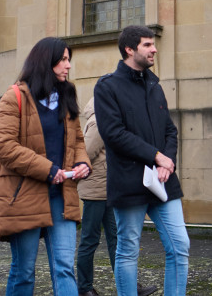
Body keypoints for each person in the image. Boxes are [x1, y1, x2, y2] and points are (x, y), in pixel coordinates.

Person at [0, 37, 91, 296]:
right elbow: (3, 145)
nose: (68, 66)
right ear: (46, 61)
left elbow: (78, 140)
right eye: (64, 60)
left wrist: (82, 162)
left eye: (69, 60)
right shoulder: (14, 96)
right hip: (24, 194)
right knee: (23, 271)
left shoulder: (67, 95)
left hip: (62, 195)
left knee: (64, 268)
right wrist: (47, 169)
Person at [94, 25, 190, 296]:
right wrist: (156, 156)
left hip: (163, 181)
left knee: (179, 245)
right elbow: (114, 134)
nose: (154, 49)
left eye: (153, 44)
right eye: (148, 45)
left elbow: (169, 129)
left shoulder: (154, 84)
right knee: (127, 250)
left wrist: (166, 161)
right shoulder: (107, 86)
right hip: (129, 181)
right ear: (129, 49)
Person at [75, 98, 157, 296]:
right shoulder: (98, 122)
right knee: (90, 239)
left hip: (108, 189)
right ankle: (84, 288)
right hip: (95, 190)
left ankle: (130, 286)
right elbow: (86, 153)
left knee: (117, 240)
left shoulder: (109, 119)